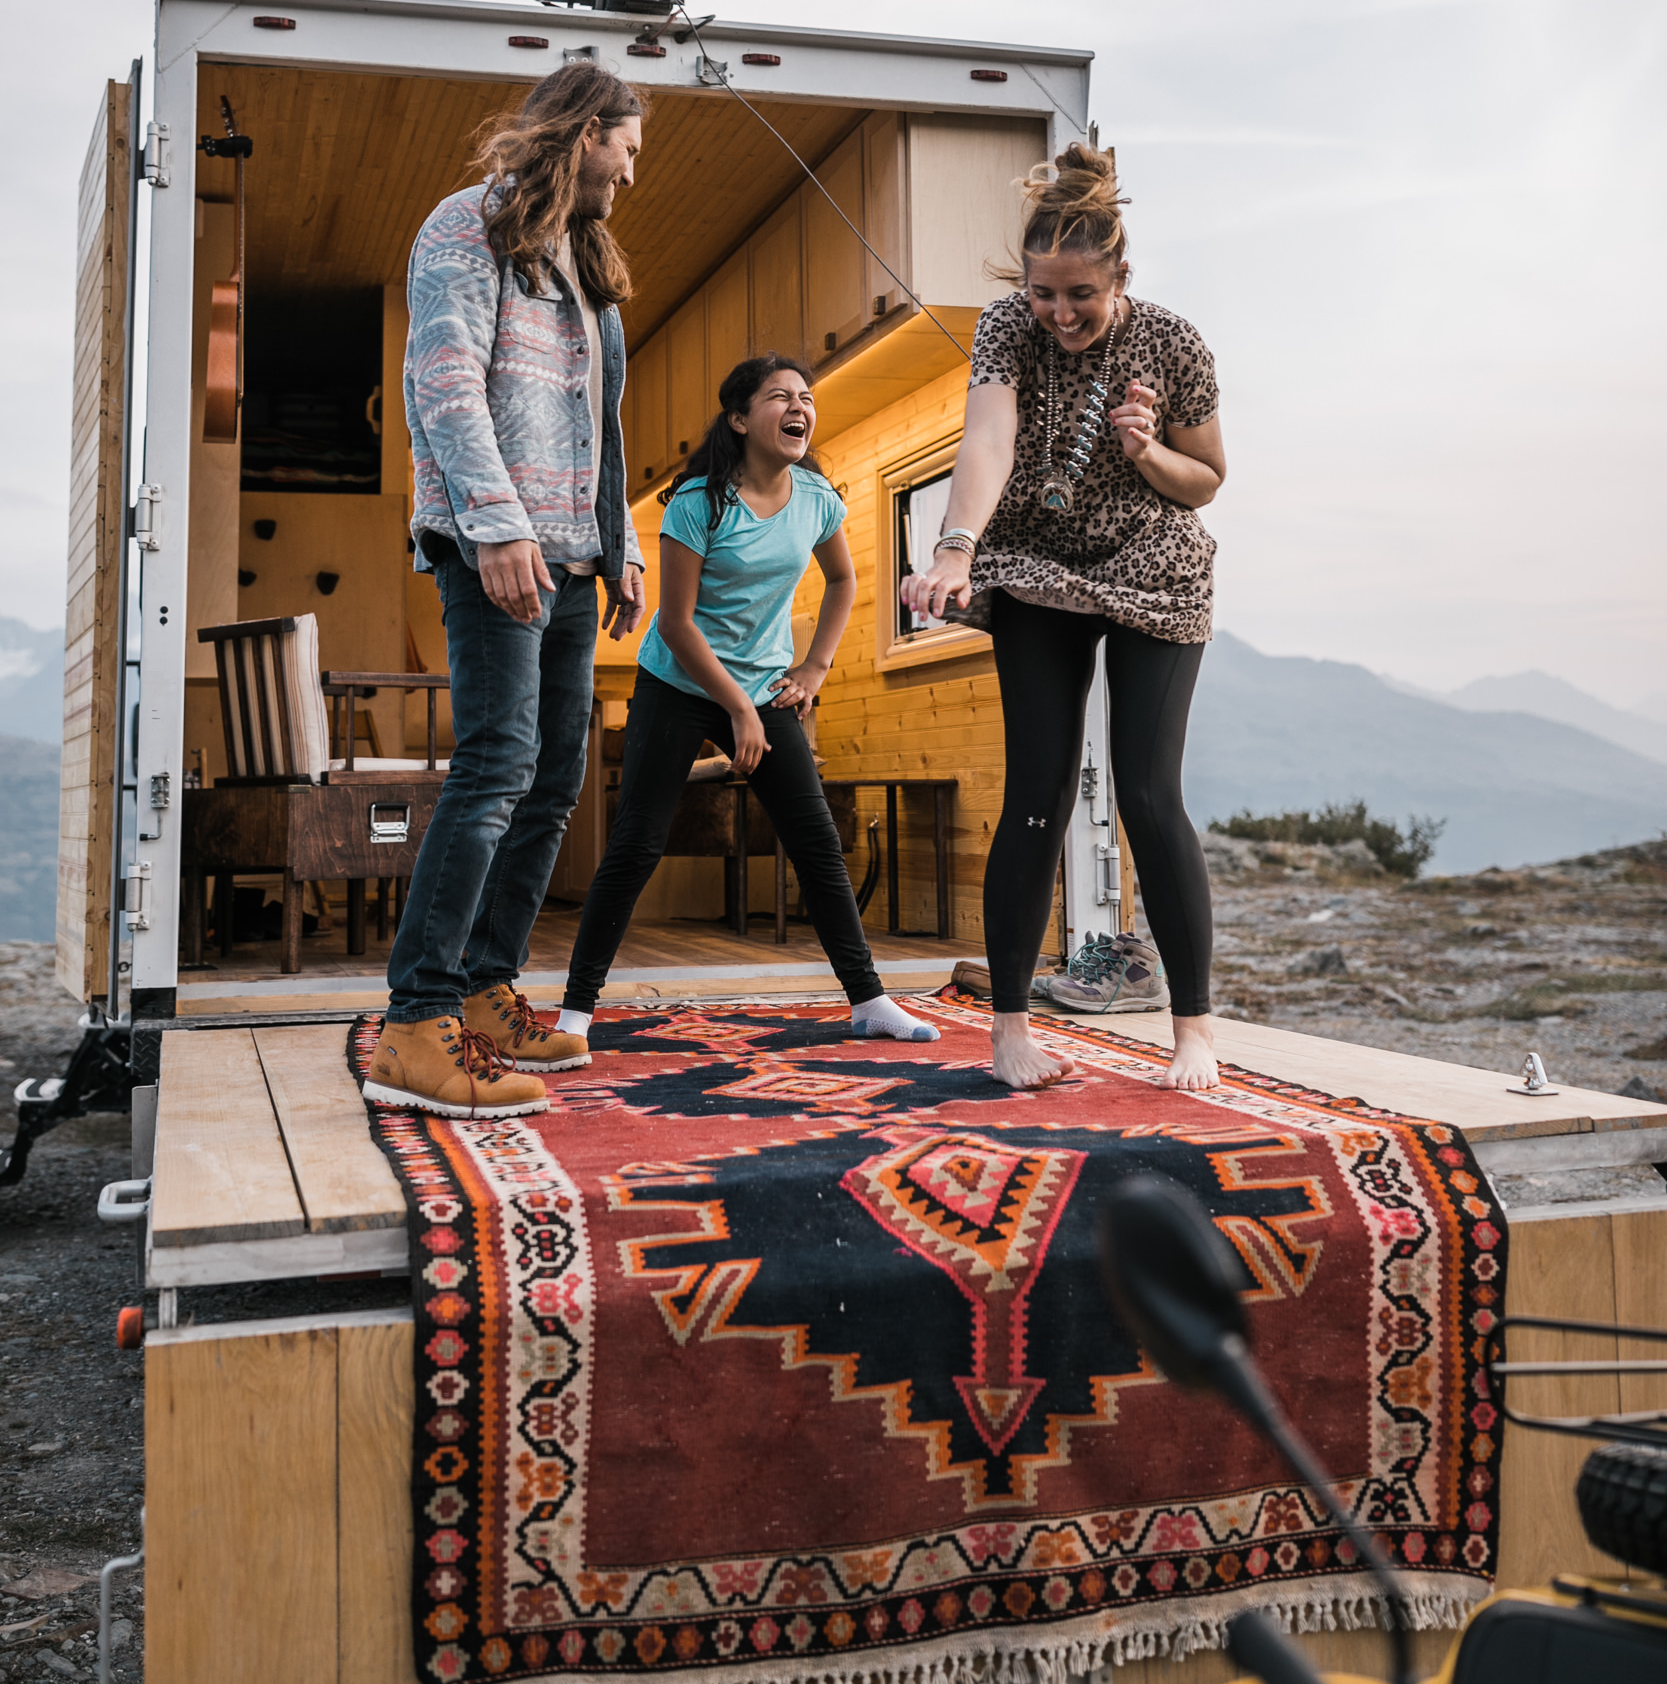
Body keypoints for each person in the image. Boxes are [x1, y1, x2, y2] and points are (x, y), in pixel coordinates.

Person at [899, 144, 1225, 1094]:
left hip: (1151, 569)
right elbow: (989, 437)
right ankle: (1009, 1032)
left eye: (1079, 294)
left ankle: (1193, 1032)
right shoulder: (1006, 328)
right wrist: (955, 545)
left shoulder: (1175, 344)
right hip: (1037, 567)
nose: (1060, 314)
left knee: (1149, 796)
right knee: (1035, 790)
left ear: (1120, 276)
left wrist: (1146, 451)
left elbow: (1204, 481)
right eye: (1045, 294)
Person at [364, 62, 650, 1118]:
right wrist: (492, 523)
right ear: (583, 133)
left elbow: (600, 416)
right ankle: (412, 1025)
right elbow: (442, 383)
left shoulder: (578, 259)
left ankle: (484, 990)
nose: (629, 170)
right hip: (497, 545)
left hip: (573, 553)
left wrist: (618, 541)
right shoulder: (462, 227)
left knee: (552, 779)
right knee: (495, 768)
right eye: (624, 146)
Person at [556, 354, 937, 1046]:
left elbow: (843, 582)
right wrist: (736, 710)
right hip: (678, 681)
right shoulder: (698, 503)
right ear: (739, 419)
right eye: (779, 397)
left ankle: (868, 1000)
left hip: (762, 688)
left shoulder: (817, 498)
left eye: (806, 398)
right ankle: (576, 1012)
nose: (799, 408)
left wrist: (815, 668)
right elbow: (674, 622)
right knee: (637, 844)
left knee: (816, 843)